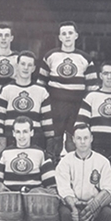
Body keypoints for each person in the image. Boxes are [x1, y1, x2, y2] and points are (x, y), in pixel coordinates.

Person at [40, 21, 98, 155]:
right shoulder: (50, 56)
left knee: (74, 142)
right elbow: (41, 85)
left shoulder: (85, 58)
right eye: (64, 34)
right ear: (59, 37)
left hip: (77, 106)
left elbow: (93, 89)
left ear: (76, 36)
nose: (67, 36)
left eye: (70, 33)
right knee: (53, 143)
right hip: (55, 106)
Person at [0, 50, 55, 155]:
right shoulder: (6, 89)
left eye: (29, 65)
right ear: (17, 66)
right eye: (23, 64)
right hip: (10, 140)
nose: (25, 68)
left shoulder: (41, 91)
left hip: (35, 140)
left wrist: (50, 148)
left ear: (33, 68)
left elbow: (47, 123)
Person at [0, 116, 56, 193]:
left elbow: (51, 185)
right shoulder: (4, 153)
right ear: (13, 133)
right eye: (18, 132)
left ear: (31, 132)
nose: (21, 136)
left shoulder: (41, 154)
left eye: (25, 131)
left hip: (33, 199)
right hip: (9, 198)